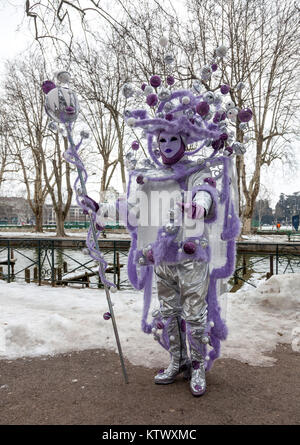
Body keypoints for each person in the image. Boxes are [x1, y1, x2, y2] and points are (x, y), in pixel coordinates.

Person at [113, 44, 251, 396]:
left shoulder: (198, 171)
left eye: (174, 138)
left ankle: (199, 366)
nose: (167, 144)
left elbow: (206, 192)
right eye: (162, 139)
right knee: (169, 313)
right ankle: (177, 362)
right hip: (162, 259)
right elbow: (132, 207)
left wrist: (199, 206)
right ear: (156, 141)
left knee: (195, 315)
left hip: (192, 258)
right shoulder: (152, 175)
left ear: (185, 142)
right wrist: (101, 213)